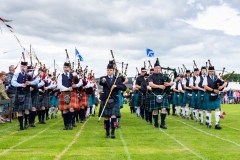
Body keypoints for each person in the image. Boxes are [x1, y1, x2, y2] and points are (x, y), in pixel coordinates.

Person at [99, 62, 126, 138]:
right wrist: (103, 81)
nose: (109, 71)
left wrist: (116, 86)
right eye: (108, 70)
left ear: (113, 70)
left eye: (110, 70)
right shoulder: (103, 78)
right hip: (105, 99)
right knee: (107, 117)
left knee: (113, 116)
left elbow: (124, 87)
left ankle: (113, 133)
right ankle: (107, 133)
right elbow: (101, 82)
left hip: (114, 99)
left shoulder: (117, 79)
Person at [11, 61, 39, 131]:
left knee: (26, 109)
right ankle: (21, 126)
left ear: (26, 67)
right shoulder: (16, 75)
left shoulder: (30, 75)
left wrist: (30, 82)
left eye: (24, 67)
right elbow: (13, 82)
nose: (23, 68)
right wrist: (20, 85)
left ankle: (26, 122)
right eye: (22, 66)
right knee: (19, 110)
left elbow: (37, 81)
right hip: (19, 92)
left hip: (27, 93)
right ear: (20, 67)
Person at [57, 62, 83, 130]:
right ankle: (66, 125)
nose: (66, 69)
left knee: (71, 109)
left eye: (67, 67)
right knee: (65, 110)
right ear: (63, 68)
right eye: (65, 67)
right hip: (64, 93)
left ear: (69, 68)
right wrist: (67, 88)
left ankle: (70, 123)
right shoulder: (60, 76)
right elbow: (59, 85)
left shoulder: (73, 75)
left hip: (72, 93)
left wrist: (76, 85)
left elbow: (81, 82)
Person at [148, 58, 173, 129]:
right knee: (155, 109)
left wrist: (167, 84)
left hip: (163, 93)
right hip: (154, 93)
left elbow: (172, 82)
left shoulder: (164, 76)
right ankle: (156, 123)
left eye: (159, 68)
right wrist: (159, 86)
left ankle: (162, 123)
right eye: (156, 68)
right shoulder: (151, 76)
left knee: (164, 108)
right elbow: (150, 84)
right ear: (154, 68)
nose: (157, 69)